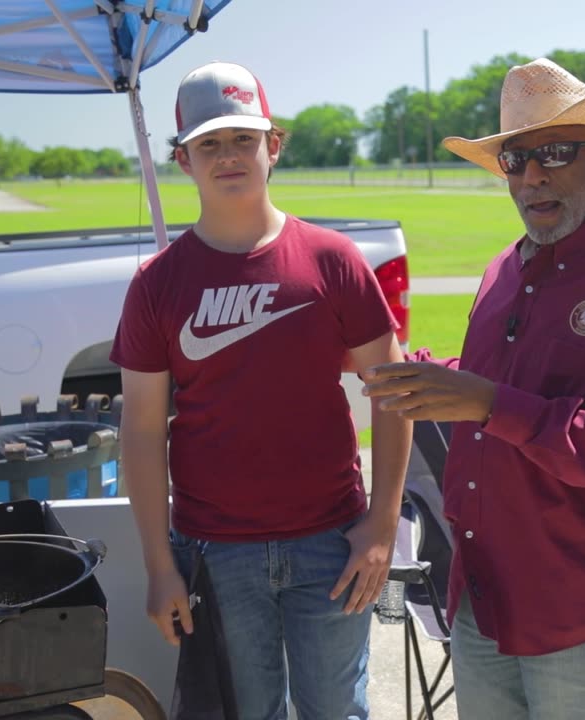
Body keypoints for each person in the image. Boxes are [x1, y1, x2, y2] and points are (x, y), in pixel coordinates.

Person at [361, 57, 585, 720]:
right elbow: (503, 375)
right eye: (515, 160)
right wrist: (414, 367)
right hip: (484, 594)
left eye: (554, 153)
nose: (532, 177)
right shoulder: (503, 270)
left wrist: (487, 404)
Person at [110, 61, 411, 720]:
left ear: (273, 147)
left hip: (331, 545)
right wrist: (160, 564)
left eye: (243, 139)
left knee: (336, 711)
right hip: (216, 553)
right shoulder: (158, 285)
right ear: (183, 161)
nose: (228, 156)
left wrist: (382, 524)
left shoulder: (331, 260)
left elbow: (393, 392)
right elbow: (140, 430)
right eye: (208, 143)